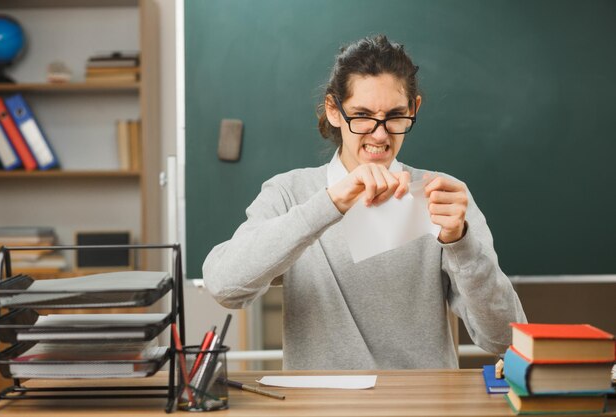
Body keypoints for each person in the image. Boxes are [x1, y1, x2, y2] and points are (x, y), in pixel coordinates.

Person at [203, 34, 526, 370]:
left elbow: (505, 339)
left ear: (413, 109)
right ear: (333, 111)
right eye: (362, 115)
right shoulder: (291, 192)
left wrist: (461, 242)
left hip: (421, 403)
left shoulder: (442, 197)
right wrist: (330, 204)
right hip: (322, 405)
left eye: (395, 116)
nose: (380, 134)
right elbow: (225, 286)